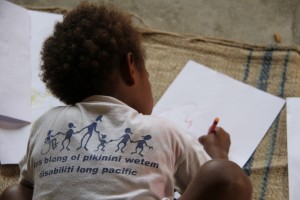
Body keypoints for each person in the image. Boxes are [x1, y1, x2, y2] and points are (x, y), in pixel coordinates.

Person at [0, 2, 252, 200]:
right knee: (228, 177)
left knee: (13, 194)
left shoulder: (45, 124)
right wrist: (218, 153)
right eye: (149, 75)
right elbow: (214, 185)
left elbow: (28, 186)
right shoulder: (161, 130)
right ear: (131, 68)